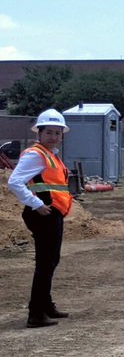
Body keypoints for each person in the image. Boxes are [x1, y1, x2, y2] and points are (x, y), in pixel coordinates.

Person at [7, 109, 73, 328]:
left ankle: (45, 305)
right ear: (40, 133)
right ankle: (36, 313)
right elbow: (14, 182)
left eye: (57, 132)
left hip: (52, 213)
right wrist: (36, 204)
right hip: (44, 213)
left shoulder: (50, 154)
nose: (54, 137)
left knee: (51, 261)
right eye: (49, 132)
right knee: (45, 263)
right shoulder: (36, 154)